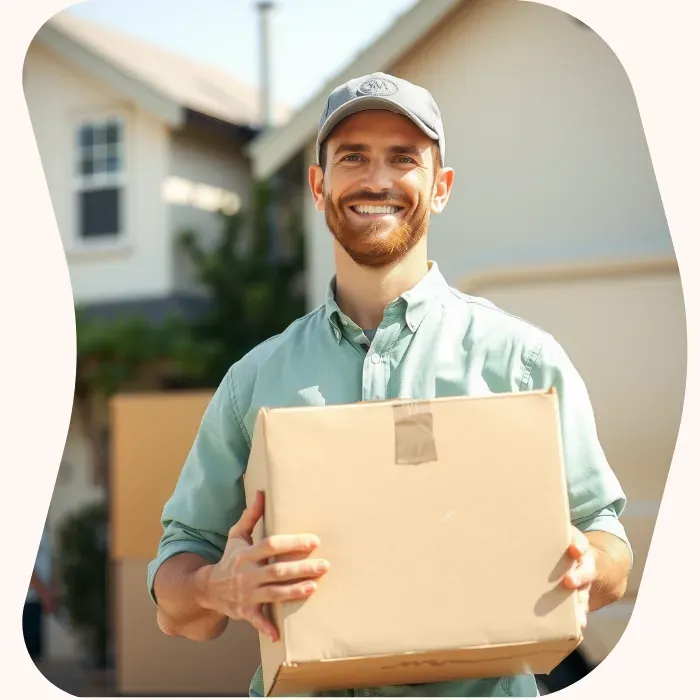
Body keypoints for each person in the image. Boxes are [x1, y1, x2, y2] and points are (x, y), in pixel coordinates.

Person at [148, 72, 632, 697]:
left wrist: (586, 565)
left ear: (440, 189)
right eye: (352, 158)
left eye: (403, 159)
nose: (376, 180)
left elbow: (608, 545)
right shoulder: (254, 380)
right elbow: (175, 594)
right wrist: (219, 586)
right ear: (319, 186)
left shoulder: (522, 362)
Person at [24, 524, 58, 663]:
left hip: (37, 599)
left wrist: (51, 590)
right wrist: (44, 592)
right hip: (29, 599)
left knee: (36, 652)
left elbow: (48, 561)